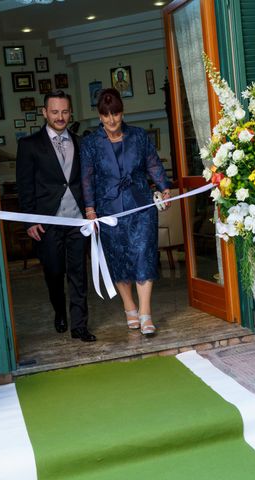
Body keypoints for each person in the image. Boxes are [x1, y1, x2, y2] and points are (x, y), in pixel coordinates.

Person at [80, 88, 171, 335]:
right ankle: (129, 307)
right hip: (109, 210)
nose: (112, 120)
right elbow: (86, 178)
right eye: (106, 115)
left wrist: (164, 188)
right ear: (99, 116)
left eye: (116, 114)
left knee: (144, 255)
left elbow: (153, 163)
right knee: (118, 259)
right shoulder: (89, 143)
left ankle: (145, 313)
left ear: (122, 113)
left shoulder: (139, 136)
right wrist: (90, 208)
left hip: (141, 205)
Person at [16, 90, 96, 342]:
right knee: (53, 272)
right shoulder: (29, 145)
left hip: (77, 221)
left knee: (78, 274)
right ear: (44, 113)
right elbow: (25, 185)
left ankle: (80, 326)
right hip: (47, 222)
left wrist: (91, 212)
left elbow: (86, 181)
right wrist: (30, 220)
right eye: (55, 112)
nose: (60, 117)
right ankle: (59, 311)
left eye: (64, 112)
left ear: (70, 112)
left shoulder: (82, 142)